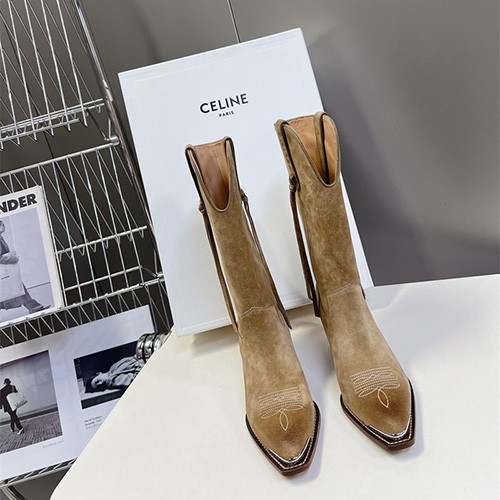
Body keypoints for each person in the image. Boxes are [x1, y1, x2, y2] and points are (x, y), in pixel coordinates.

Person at [0, 219, 47, 314]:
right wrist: (12, 258)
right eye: (2, 225)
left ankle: (35, 308)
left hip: (6, 271)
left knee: (18, 289)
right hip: (4, 272)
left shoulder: (1, 238)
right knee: (17, 288)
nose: (4, 226)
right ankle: (35, 308)